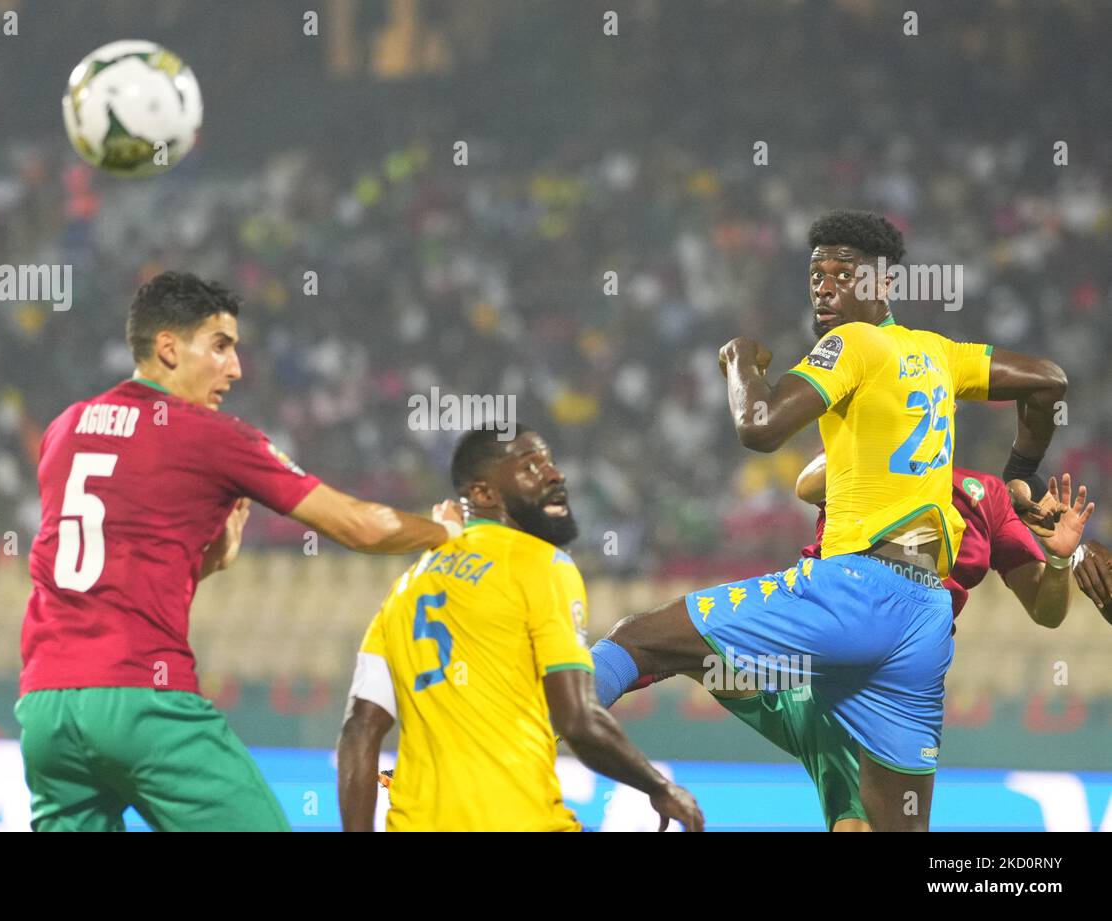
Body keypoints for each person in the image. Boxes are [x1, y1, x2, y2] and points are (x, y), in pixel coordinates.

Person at [589, 210, 1068, 830]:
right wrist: (1017, 474)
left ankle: (525, 750)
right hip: (924, 625)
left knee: (637, 638)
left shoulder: (853, 344)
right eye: (817, 272)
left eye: (845, 271)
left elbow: (757, 427)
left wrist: (741, 362)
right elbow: (1048, 382)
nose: (825, 284)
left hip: (856, 592)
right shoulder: (939, 354)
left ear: (884, 283)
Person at [17, 271, 461, 831]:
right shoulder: (210, 435)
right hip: (142, 701)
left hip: (46, 711)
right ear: (169, 348)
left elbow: (103, 569)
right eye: (221, 346)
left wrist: (205, 562)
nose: (236, 368)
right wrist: (443, 532)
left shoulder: (65, 427)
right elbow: (359, 526)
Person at [629, 458, 1094, 832]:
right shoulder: (863, 455)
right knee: (687, 654)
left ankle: (593, 694)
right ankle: (574, 710)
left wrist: (1057, 561)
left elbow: (1047, 611)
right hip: (820, 642)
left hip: (890, 672)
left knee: (854, 820)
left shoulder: (983, 494)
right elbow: (806, 485)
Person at [337, 426, 703, 832]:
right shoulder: (540, 565)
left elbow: (359, 728)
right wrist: (659, 787)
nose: (554, 475)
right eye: (530, 466)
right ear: (482, 494)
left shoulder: (407, 588)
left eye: (549, 462)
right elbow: (577, 721)